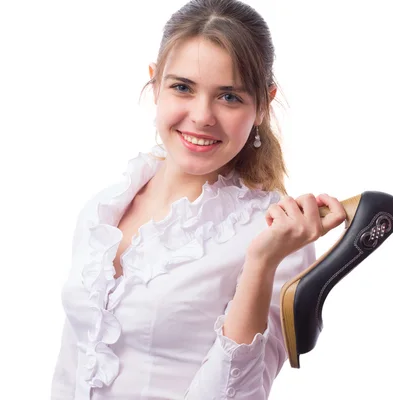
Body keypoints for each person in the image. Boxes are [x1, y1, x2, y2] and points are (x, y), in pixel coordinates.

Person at [51, 0, 346, 398]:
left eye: (229, 97)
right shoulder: (104, 209)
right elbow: (71, 369)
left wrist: (260, 263)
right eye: (182, 87)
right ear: (155, 84)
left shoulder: (277, 237)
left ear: (263, 103)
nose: (202, 115)